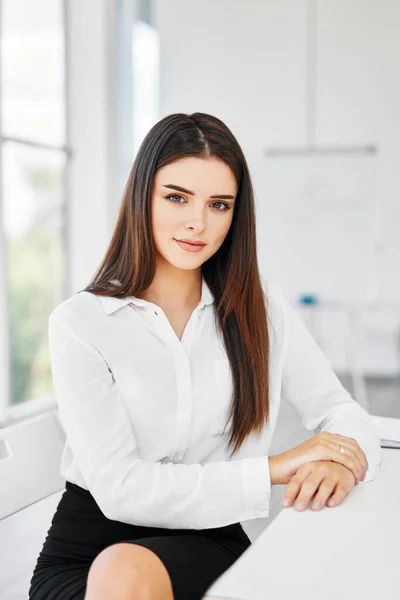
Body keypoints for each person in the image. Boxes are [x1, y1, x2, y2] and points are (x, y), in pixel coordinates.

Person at [28, 112, 381, 600]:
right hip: (89, 552)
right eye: (177, 197)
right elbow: (122, 489)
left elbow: (342, 412)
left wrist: (342, 463)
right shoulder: (81, 323)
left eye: (219, 204)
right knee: (122, 570)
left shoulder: (262, 310)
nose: (198, 222)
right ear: (142, 198)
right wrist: (277, 467)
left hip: (208, 545)